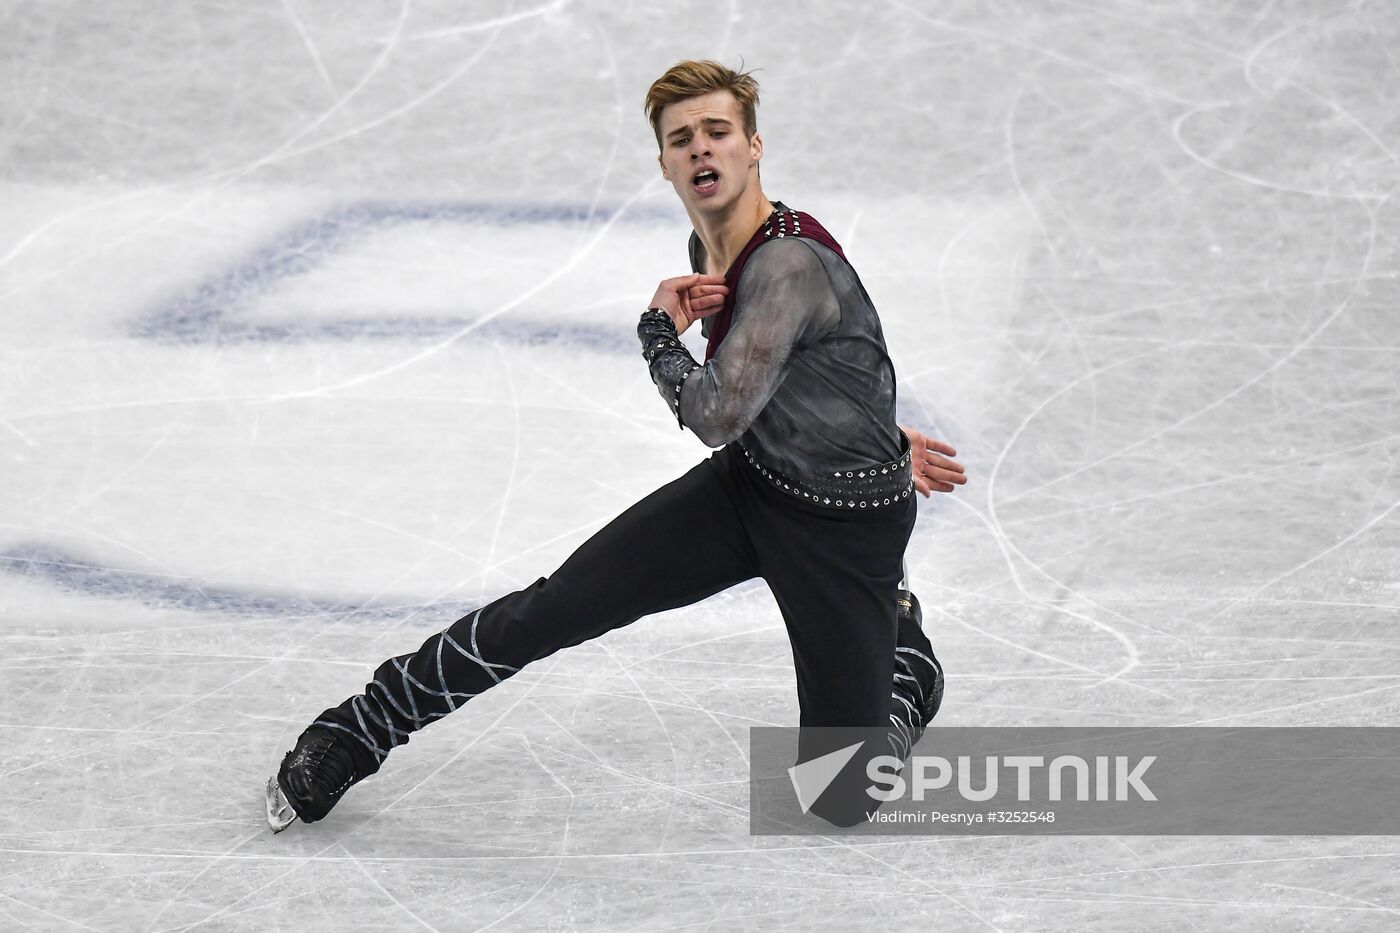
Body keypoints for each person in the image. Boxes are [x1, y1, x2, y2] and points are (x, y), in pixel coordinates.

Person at [266, 60, 967, 833]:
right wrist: (873, 427)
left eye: (718, 133)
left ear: (754, 146)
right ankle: (360, 725)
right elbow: (831, 357)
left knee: (840, 797)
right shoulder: (709, 256)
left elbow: (713, 414)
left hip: (842, 528)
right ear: (664, 162)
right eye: (682, 139)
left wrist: (657, 331)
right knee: (553, 608)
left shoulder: (787, 263)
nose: (702, 151)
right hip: (751, 489)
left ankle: (906, 663)